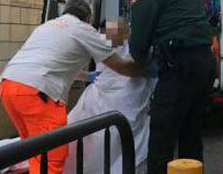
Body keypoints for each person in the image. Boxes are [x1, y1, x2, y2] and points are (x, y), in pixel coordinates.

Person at [0, 0, 140, 174]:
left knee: (35, 151)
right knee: (52, 156)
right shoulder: (84, 30)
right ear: (88, 18)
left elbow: (50, 61)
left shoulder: (47, 26)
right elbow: (120, 66)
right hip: (38, 93)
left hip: (9, 86)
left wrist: (87, 75)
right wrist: (147, 71)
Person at [123, 0, 217, 174]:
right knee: (191, 131)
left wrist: (140, 65)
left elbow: (138, 47)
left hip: (180, 65)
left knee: (162, 134)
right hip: (206, 63)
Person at [64, 19, 157, 174]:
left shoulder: (109, 50)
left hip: (110, 100)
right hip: (109, 99)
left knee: (83, 135)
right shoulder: (135, 53)